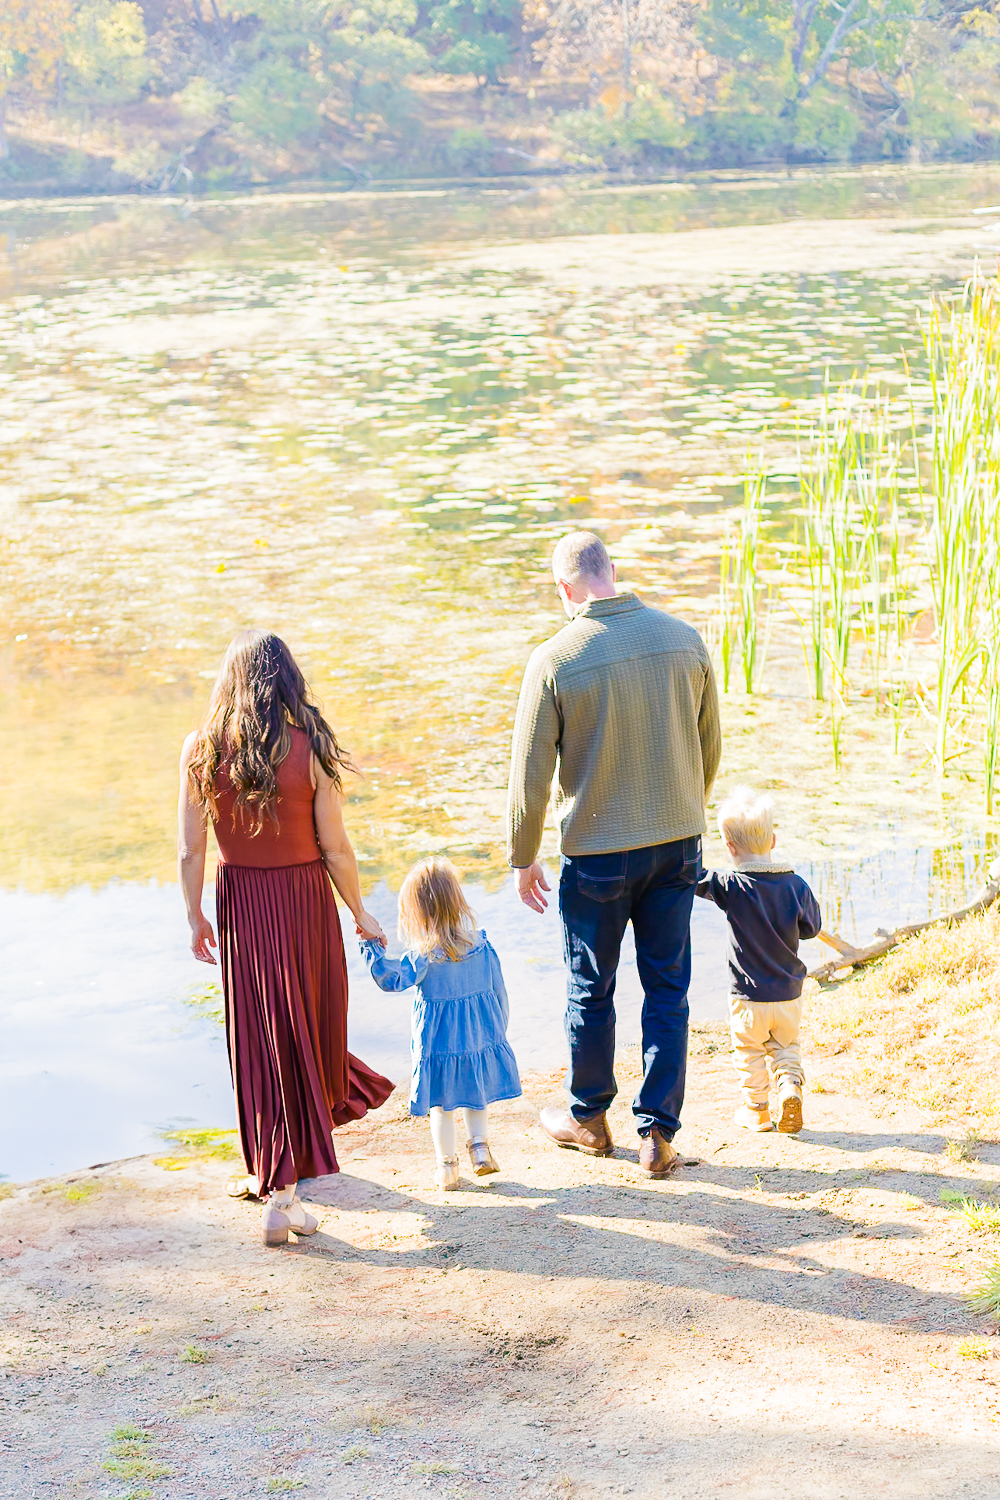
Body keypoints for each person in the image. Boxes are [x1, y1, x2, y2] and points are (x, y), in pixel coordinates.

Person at [507, 531, 721, 1178]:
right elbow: (710, 747)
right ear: (613, 572)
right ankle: (657, 1134)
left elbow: (529, 777)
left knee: (589, 986)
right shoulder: (685, 639)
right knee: (667, 988)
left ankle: (589, 1118)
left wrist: (524, 855)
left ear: (564, 590)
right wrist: (684, 807)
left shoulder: (554, 659)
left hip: (598, 856)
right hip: (676, 843)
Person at [177, 629, 394, 1248]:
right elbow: (337, 848)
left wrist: (195, 916)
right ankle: (283, 1192)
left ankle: (274, 1178)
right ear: (289, 682)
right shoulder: (312, 748)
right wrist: (359, 911)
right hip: (303, 904)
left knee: (261, 1039)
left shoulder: (201, 749)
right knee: (307, 1029)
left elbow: (191, 848)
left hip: (242, 903)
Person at [360, 857, 521, 1190]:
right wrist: (496, 1033)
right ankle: (480, 1150)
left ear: (418, 912)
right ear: (457, 900)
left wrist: (370, 947)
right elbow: (499, 991)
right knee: (475, 1095)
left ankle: (447, 1168)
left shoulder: (423, 957)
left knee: (440, 1106)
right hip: (477, 1039)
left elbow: (389, 980)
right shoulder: (481, 946)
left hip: (438, 1047)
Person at [696, 786, 822, 1134]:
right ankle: (790, 1087)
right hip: (788, 994)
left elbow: (694, 878)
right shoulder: (796, 886)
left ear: (730, 848)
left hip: (747, 997)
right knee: (785, 1046)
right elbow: (812, 928)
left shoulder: (730, 885)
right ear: (773, 841)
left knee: (749, 1050)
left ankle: (757, 1110)